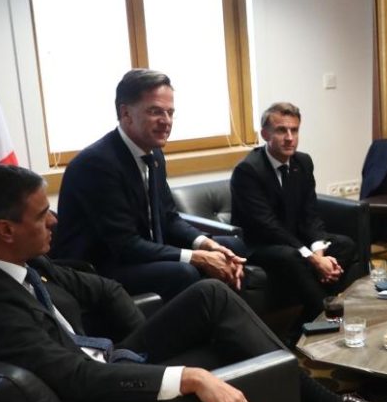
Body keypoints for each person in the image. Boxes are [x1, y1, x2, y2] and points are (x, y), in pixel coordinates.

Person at [0, 164, 387, 402]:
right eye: (43, 215)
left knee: (211, 299)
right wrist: (186, 375)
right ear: (4, 229)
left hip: (107, 359)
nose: (54, 221)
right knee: (234, 347)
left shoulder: (23, 261)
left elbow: (107, 290)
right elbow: (75, 378)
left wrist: (150, 348)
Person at [52, 68, 247, 302]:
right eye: (155, 112)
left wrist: (205, 244)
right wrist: (197, 257)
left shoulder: (153, 153)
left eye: (170, 112)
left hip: (140, 251)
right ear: (126, 113)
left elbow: (169, 217)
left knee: (232, 247)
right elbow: (124, 245)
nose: (166, 121)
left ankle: (230, 326)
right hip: (101, 265)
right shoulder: (97, 164)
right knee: (185, 271)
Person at [230, 102, 360, 337]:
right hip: (260, 245)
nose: (289, 138)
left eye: (295, 130)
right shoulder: (248, 170)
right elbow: (268, 226)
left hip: (294, 240)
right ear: (265, 134)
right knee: (292, 257)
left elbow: (310, 213)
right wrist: (310, 257)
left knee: (344, 244)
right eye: (281, 130)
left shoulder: (303, 162)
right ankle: (328, 318)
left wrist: (318, 253)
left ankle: (305, 322)